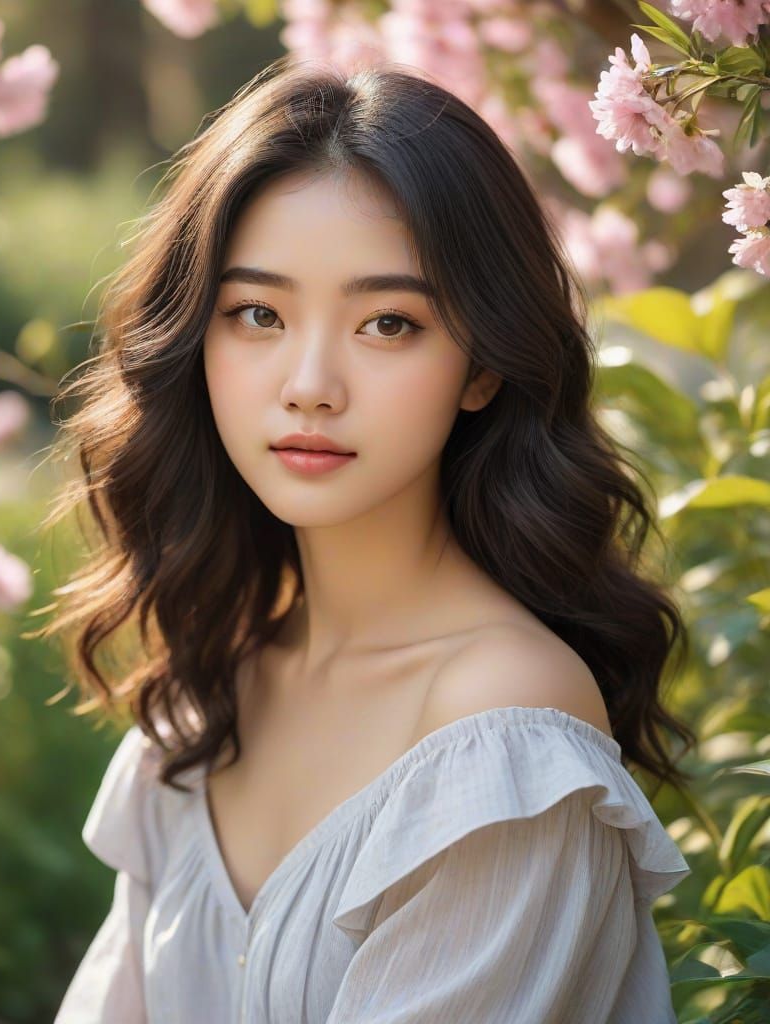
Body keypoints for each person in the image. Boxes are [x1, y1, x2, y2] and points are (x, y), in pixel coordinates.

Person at [44, 54, 697, 1024]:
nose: (309, 382)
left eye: (387, 323)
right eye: (257, 313)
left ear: (480, 365)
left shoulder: (502, 736)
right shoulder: (210, 690)